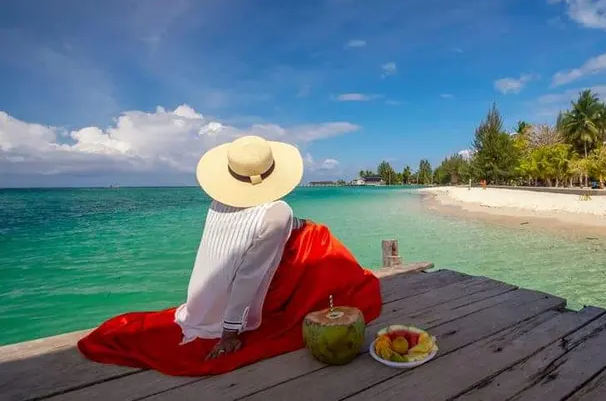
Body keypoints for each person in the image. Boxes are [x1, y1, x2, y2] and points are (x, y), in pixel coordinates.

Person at [78, 136, 383, 376]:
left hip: (200, 300)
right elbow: (248, 275)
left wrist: (301, 226)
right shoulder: (277, 212)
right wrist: (229, 333)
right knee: (321, 241)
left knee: (313, 232)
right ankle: (334, 292)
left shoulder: (220, 200)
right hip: (229, 312)